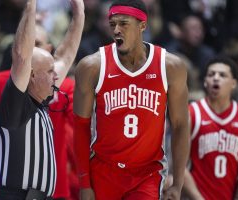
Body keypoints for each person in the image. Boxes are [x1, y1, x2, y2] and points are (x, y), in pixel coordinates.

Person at [0, 0, 84, 199]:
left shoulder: (42, 101)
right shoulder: (16, 103)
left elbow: (66, 55)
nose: (57, 76)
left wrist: (79, 14)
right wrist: (30, 5)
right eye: (49, 71)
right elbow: (21, 55)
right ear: (31, 75)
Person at [73, 0, 190, 199]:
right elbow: (80, 126)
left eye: (124, 23)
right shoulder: (92, 66)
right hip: (104, 170)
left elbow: (180, 125)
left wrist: (177, 183)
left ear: (142, 25)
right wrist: (84, 184)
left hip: (147, 174)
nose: (116, 30)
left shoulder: (170, 66)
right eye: (112, 24)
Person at [182, 56, 238, 200]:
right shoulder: (191, 113)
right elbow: (179, 166)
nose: (216, 78)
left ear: (234, 84)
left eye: (222, 75)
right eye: (211, 74)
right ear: (205, 81)